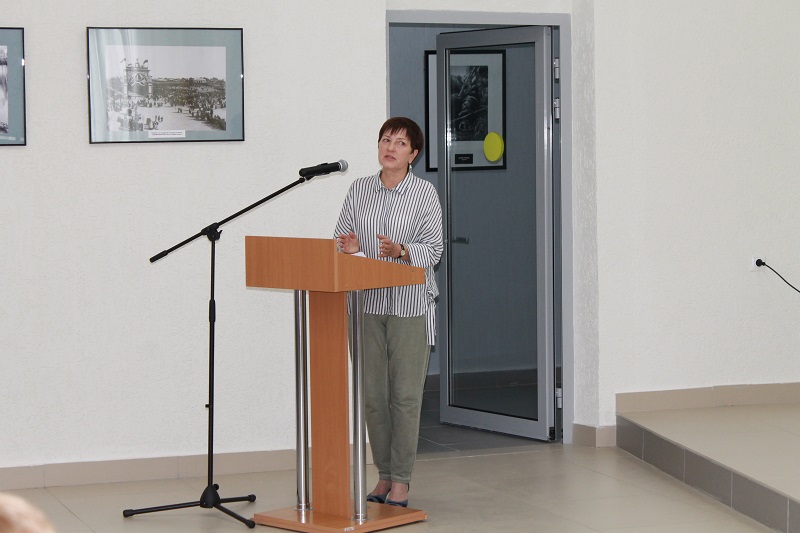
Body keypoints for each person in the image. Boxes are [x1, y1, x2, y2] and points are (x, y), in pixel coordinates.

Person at [335, 117, 443, 507]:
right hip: (366, 303)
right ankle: (383, 476)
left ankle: (401, 481)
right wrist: (350, 248)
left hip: (409, 304)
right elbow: (341, 237)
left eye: (400, 143)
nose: (390, 147)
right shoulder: (359, 189)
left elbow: (435, 250)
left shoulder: (424, 193)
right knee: (374, 397)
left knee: (405, 396)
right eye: (385, 140)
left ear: (413, 154)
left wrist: (402, 250)